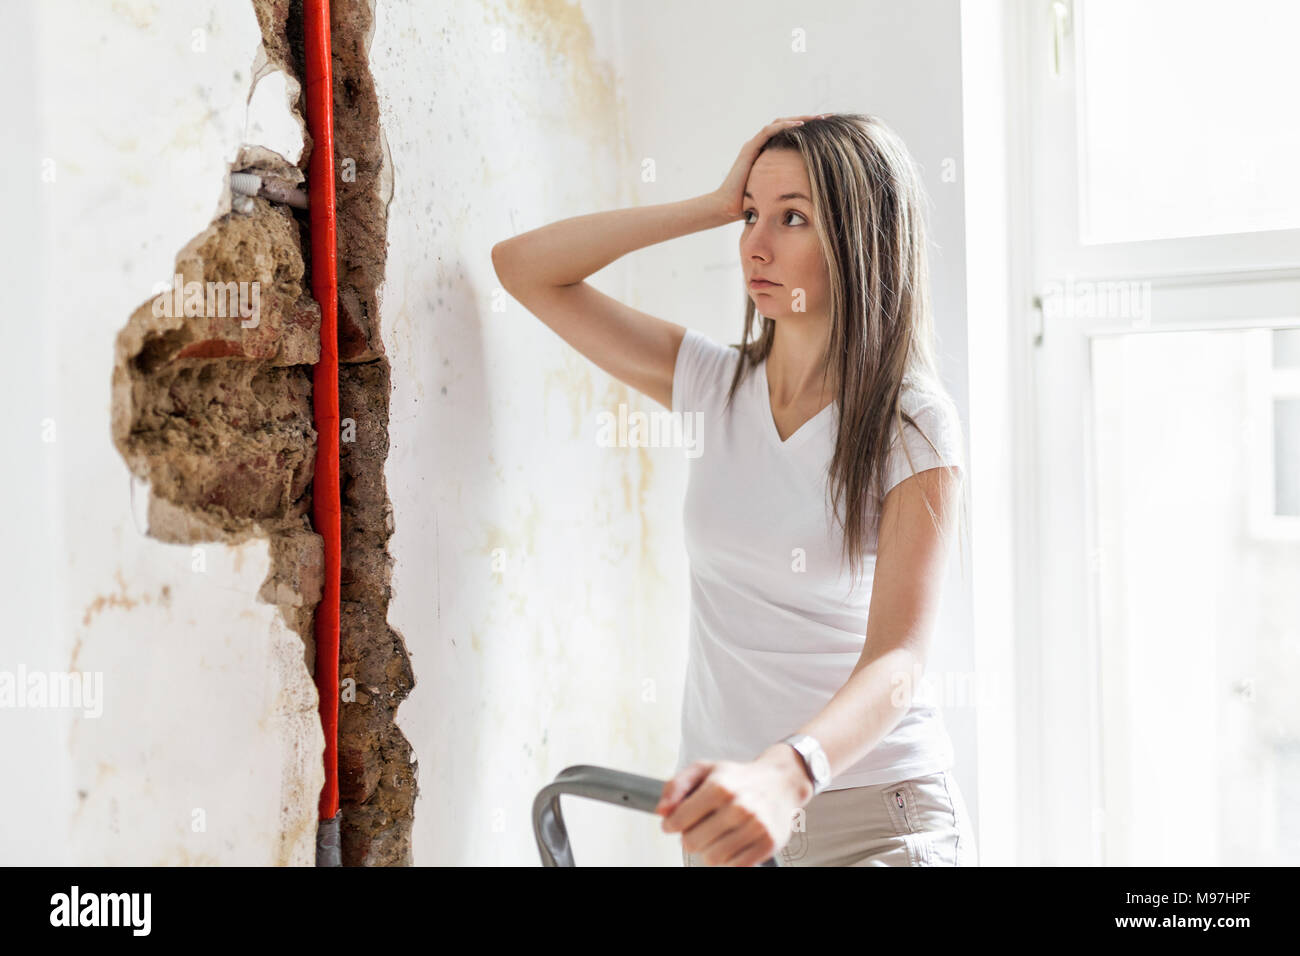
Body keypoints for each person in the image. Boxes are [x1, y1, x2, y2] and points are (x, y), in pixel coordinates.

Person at [492, 113, 975, 867]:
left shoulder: (911, 422)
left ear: (861, 240)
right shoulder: (713, 383)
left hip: (872, 814)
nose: (757, 243)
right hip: (730, 815)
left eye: (794, 218)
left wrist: (790, 772)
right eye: (752, 215)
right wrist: (711, 203)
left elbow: (899, 659)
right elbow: (523, 267)